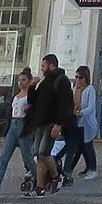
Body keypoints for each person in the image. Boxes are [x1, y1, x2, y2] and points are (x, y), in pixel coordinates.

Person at [27, 53, 77, 196]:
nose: (41, 69)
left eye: (43, 65)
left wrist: (59, 124)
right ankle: (40, 187)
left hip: (51, 123)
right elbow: (33, 100)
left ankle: (57, 176)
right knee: (38, 153)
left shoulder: (62, 80)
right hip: (40, 123)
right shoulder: (45, 81)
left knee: (43, 152)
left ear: (51, 65)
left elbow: (64, 104)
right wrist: (32, 86)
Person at [0, 68, 36, 201]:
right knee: (4, 156)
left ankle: (39, 179)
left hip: (24, 124)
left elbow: (34, 112)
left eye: (24, 80)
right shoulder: (16, 95)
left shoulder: (31, 95)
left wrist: (29, 112)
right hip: (13, 123)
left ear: (29, 81)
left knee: (27, 156)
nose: (21, 82)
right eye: (19, 80)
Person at [64, 65, 100, 180]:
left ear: (86, 78)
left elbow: (90, 107)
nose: (78, 80)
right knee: (80, 147)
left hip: (87, 122)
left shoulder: (90, 90)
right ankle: (78, 168)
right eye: (76, 77)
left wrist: (80, 113)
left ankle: (93, 169)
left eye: (80, 77)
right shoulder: (76, 90)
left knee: (88, 145)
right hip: (77, 122)